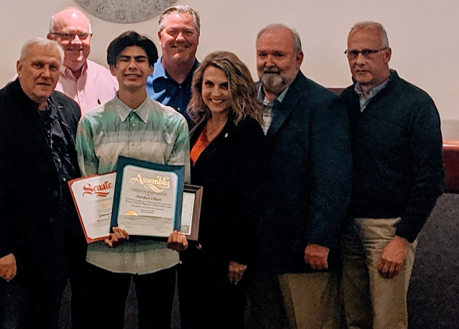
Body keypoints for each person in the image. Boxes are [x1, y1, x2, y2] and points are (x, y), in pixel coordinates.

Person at [76, 31, 190, 329]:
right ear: (112, 68)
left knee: (158, 323)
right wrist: (102, 229)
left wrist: (180, 229)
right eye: (124, 59)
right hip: (107, 251)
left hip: (159, 253)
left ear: (152, 68)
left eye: (141, 60)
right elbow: (88, 184)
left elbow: (181, 185)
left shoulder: (173, 123)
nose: (132, 66)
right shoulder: (91, 123)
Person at [0, 38, 82, 329]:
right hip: (11, 256)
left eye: (53, 67)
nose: (45, 73)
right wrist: (0, 249)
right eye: (37, 65)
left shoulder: (68, 109)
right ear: (20, 68)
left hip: (54, 254)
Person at [339, 21, 444, 329]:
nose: (359, 60)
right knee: (354, 320)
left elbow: (431, 178)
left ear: (387, 54)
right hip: (347, 230)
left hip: (389, 231)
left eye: (368, 52)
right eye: (352, 53)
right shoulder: (343, 103)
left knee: (387, 322)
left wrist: (403, 238)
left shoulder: (416, 104)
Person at [246, 24, 352, 329]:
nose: (269, 62)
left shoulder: (323, 105)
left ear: (299, 58)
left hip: (303, 251)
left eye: (278, 54)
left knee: (310, 322)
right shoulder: (245, 99)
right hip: (258, 249)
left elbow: (333, 179)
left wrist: (320, 238)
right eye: (262, 54)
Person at [178, 51, 267, 329]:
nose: (215, 93)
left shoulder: (247, 131)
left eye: (224, 85)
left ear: (237, 88)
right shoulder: (198, 126)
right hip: (193, 253)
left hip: (226, 257)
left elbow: (252, 199)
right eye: (209, 84)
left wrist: (240, 255)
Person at [47, 7, 117, 112]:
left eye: (82, 35)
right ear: (50, 39)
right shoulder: (32, 80)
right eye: (67, 35)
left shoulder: (111, 80)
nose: (76, 42)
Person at [146, 5, 201, 126]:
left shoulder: (210, 82)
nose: (180, 38)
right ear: (160, 37)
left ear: (198, 37)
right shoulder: (142, 82)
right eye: (173, 32)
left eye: (188, 32)